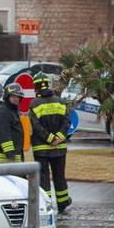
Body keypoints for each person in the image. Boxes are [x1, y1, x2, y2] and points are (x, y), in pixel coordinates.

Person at [27, 72, 71, 212]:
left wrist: (49, 138)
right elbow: (67, 122)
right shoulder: (60, 101)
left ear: (36, 87)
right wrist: (58, 137)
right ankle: (63, 203)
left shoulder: (34, 104)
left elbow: (36, 126)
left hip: (41, 149)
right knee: (59, 176)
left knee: (44, 178)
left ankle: (46, 205)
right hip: (59, 147)